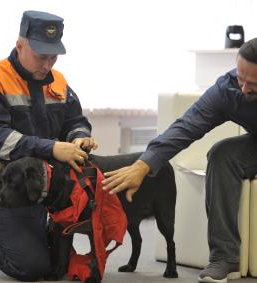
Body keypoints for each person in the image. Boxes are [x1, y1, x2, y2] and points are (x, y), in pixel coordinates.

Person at [0, 10, 97, 281]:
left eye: (53, 56)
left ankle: (13, 232)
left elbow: (75, 119)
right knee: (31, 268)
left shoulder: (59, 81)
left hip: (41, 186)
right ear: (20, 46)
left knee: (57, 265)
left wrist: (80, 135)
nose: (47, 64)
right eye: (41, 56)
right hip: (2, 185)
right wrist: (51, 148)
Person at [101, 37, 257, 283]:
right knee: (222, 154)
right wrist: (144, 164)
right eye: (240, 78)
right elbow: (188, 125)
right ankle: (225, 257)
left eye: (253, 84)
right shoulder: (227, 89)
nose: (244, 88)